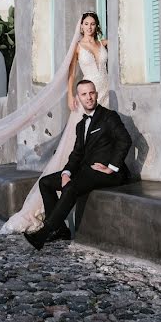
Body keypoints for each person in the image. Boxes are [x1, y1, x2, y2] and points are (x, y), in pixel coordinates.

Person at [0, 12, 110, 234]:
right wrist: (71, 96)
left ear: (97, 26)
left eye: (92, 24)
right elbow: (71, 74)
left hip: (105, 93)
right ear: (81, 27)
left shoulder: (102, 43)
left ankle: (98, 169)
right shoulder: (78, 47)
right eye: (86, 24)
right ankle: (61, 187)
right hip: (86, 95)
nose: (89, 27)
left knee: (102, 134)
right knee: (75, 143)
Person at [24, 79, 132, 249]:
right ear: (78, 98)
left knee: (71, 188)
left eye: (91, 93)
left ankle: (44, 233)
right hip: (87, 172)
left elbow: (124, 140)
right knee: (45, 183)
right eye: (84, 94)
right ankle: (60, 230)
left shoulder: (109, 116)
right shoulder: (81, 125)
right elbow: (77, 154)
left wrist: (111, 167)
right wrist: (66, 173)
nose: (89, 97)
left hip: (108, 174)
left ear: (96, 94)